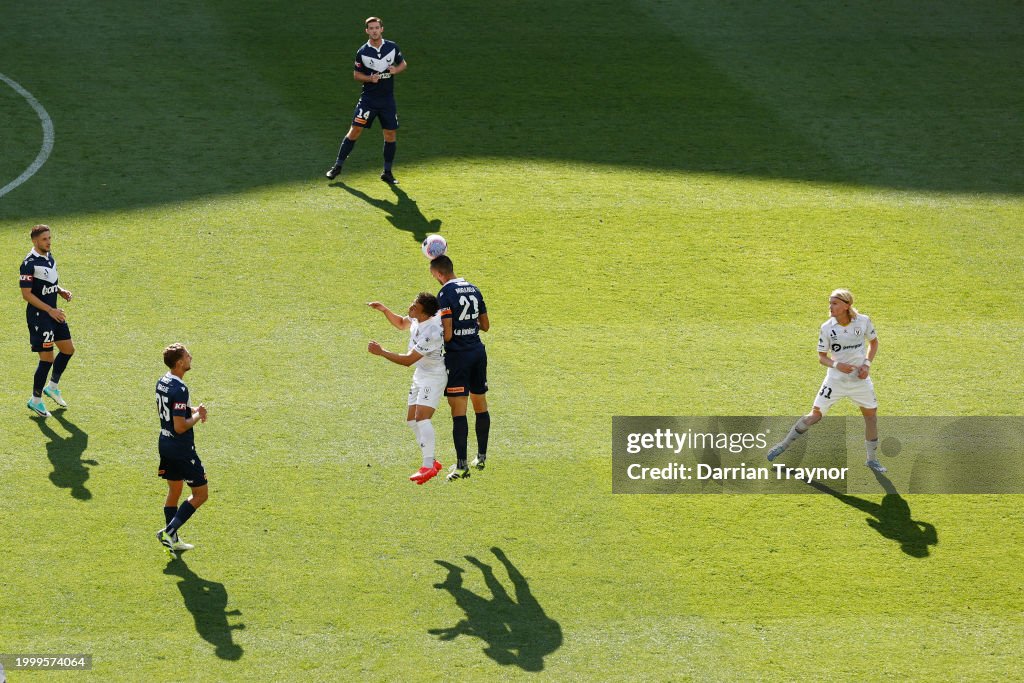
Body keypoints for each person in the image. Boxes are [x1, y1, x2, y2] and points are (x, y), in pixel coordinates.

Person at [767, 289, 885, 472]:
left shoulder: (863, 321)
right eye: (830, 303)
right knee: (815, 415)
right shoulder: (827, 328)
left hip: (859, 381)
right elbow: (822, 357)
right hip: (835, 381)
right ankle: (783, 445)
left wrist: (867, 364)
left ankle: (872, 460)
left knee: (871, 418)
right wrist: (837, 365)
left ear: (847, 305)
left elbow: (874, 342)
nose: (830, 307)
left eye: (834, 303)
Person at [367, 293, 446, 484]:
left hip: (433, 377)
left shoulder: (432, 332)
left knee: (422, 418)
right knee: (412, 420)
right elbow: (402, 323)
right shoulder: (418, 318)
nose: (411, 307)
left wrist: (382, 352)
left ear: (424, 313)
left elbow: (407, 360)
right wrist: (384, 310)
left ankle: (428, 465)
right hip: (421, 374)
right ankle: (432, 461)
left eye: (415, 306)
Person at [326, 16, 408, 185]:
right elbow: (356, 75)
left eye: (377, 27)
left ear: (382, 29)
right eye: (371, 28)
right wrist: (370, 79)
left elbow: (403, 64)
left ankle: (387, 172)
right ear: (367, 31)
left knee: (390, 134)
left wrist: (396, 70)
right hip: (368, 100)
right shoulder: (362, 52)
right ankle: (337, 167)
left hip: (387, 101)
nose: (374, 31)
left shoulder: (392, 47)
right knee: (355, 130)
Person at [430, 255, 490, 481]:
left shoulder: (445, 293)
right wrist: (469, 326)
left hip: (459, 357)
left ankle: (462, 466)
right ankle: (481, 457)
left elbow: (448, 334)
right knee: (480, 404)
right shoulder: (474, 288)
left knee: (458, 410)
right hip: (478, 352)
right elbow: (485, 325)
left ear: (439, 273)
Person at [155, 344, 209, 559]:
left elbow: (171, 409)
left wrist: (192, 409)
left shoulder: (163, 381)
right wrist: (197, 415)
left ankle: (174, 540)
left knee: (175, 490)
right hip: (181, 449)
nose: (190, 357)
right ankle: (169, 532)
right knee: (201, 494)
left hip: (165, 443)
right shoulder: (180, 389)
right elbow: (179, 426)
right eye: (187, 356)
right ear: (179, 363)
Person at [20, 224, 76, 418]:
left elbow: (48, 280)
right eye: (44, 239)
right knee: (47, 359)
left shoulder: (48, 257)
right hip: (40, 317)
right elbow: (27, 294)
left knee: (68, 349)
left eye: (50, 238)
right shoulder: (28, 263)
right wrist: (50, 310)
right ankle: (35, 400)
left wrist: (60, 290)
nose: (49, 242)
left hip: (54, 314)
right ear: (35, 241)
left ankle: (52, 387)